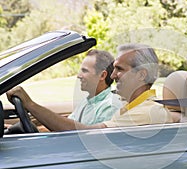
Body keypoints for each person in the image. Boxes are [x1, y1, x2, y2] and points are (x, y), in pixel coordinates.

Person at [7, 43, 173, 131]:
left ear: (141, 75)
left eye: (120, 69)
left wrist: (30, 104)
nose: (113, 76)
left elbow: (85, 133)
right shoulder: (132, 108)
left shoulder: (146, 112)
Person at [6, 49, 122, 131]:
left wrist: (30, 104)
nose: (78, 76)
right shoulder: (88, 102)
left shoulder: (110, 106)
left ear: (102, 76)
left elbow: (82, 135)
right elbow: (62, 126)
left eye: (85, 71)